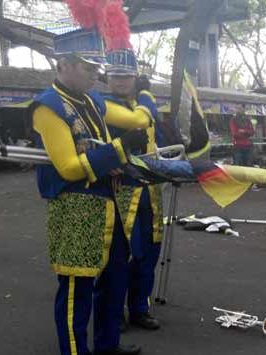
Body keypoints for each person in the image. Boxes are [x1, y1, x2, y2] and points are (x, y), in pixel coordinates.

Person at [31, 29, 146, 355]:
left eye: (98, 68)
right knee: (75, 291)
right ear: (64, 64)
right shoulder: (48, 106)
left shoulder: (93, 100)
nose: (97, 74)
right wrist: (119, 149)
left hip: (108, 203)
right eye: (89, 68)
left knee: (114, 282)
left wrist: (146, 102)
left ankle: (108, 346)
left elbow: (135, 118)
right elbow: (68, 167)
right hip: (75, 207)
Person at [103, 48, 165, 331]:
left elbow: (158, 139)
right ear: (107, 76)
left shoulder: (143, 104)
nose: (120, 81)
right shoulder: (103, 105)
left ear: (135, 77)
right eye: (115, 76)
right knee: (120, 255)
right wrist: (147, 98)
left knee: (149, 251)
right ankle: (115, 314)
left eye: (126, 76)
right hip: (120, 188)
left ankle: (140, 307)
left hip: (149, 188)